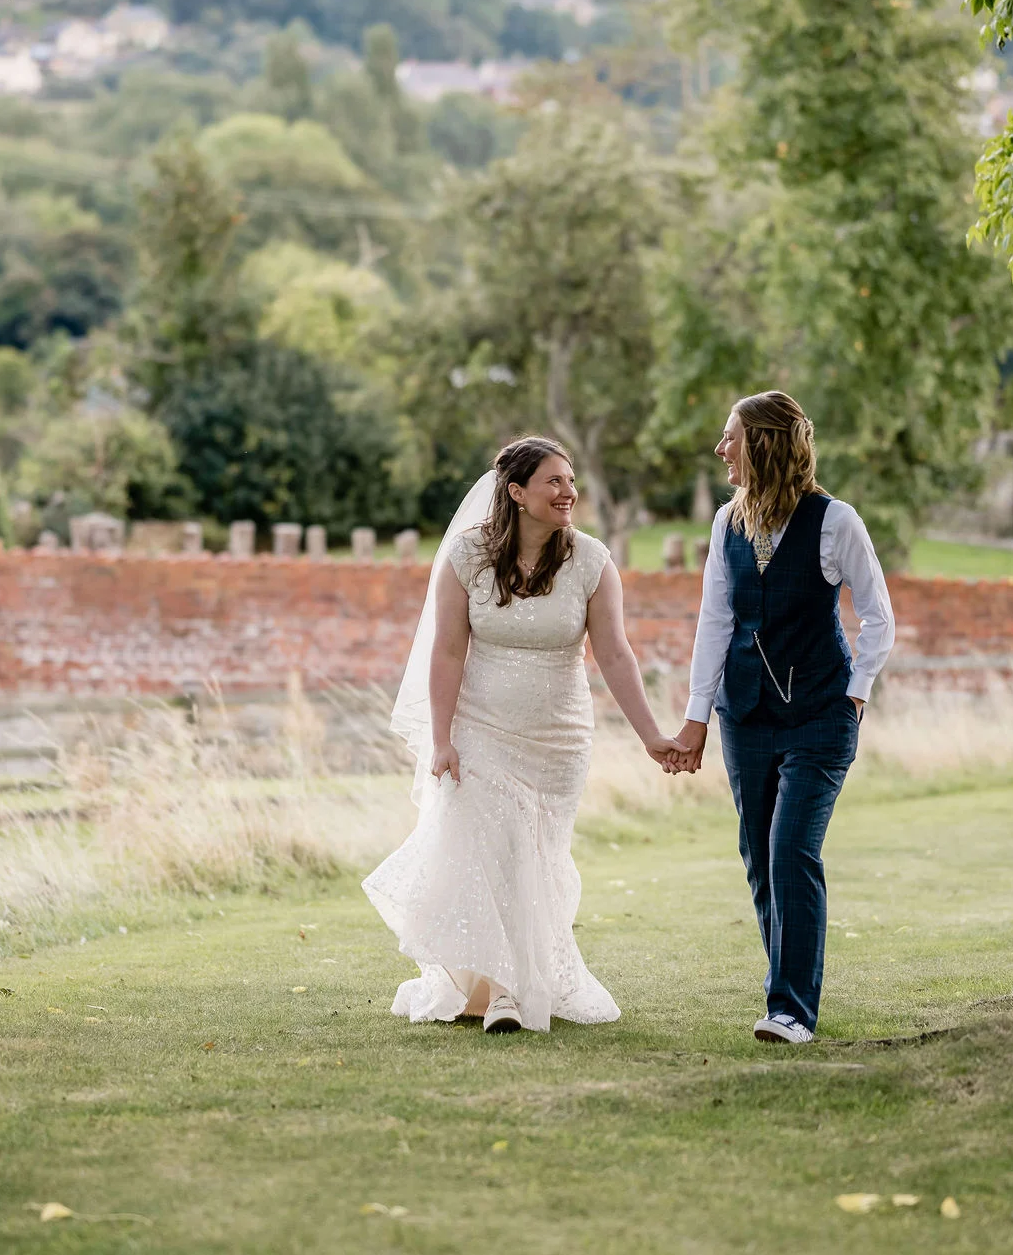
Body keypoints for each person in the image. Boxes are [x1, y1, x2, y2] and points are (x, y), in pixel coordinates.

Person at [364, 437, 683, 1033]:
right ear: (517, 492)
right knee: (492, 851)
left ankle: (514, 982)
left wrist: (650, 735)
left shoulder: (592, 562)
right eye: (554, 482)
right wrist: (440, 738)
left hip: (557, 739)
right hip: (479, 727)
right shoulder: (468, 557)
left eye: (570, 481)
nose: (568, 493)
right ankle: (506, 993)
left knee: (536, 860)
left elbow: (614, 654)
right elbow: (448, 649)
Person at [668, 391, 895, 1044]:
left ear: (763, 442)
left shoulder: (834, 521)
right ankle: (787, 988)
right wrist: (696, 718)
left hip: (821, 715)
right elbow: (715, 621)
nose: (720, 449)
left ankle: (791, 1009)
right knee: (759, 855)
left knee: (791, 848)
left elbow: (878, 613)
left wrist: (857, 690)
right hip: (744, 715)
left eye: (730, 436)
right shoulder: (725, 523)